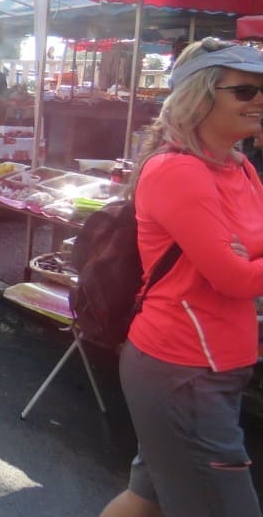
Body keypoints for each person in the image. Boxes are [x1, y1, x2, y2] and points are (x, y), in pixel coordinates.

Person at [99, 38, 263, 517]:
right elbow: (235, 279)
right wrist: (237, 259)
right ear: (200, 97)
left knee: (147, 498)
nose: (259, 100)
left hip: (212, 365)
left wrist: (240, 258)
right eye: (245, 91)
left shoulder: (239, 167)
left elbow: (247, 259)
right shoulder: (178, 172)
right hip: (184, 369)